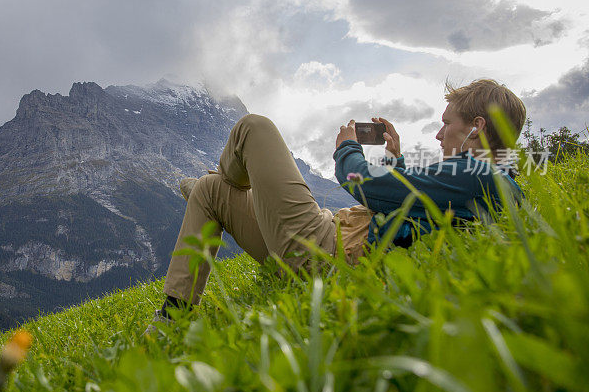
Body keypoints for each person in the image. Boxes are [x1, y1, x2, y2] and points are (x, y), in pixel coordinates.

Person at [148, 78, 526, 327]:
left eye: (447, 123)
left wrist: (347, 146)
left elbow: (360, 183)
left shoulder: (480, 175)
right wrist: (396, 160)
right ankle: (174, 312)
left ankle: (221, 179)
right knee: (207, 194)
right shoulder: (484, 180)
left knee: (253, 127)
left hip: (325, 249)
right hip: (320, 244)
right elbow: (407, 207)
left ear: (476, 127)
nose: (440, 132)